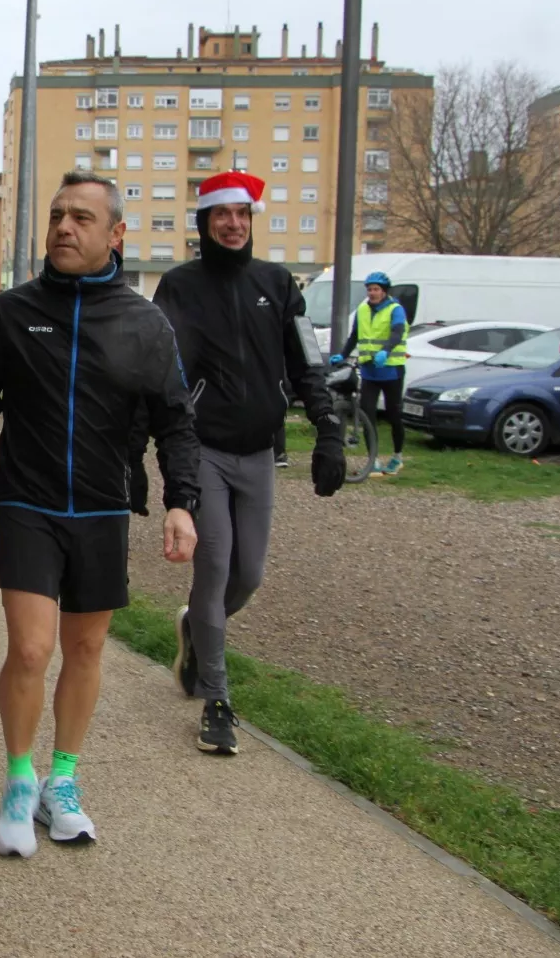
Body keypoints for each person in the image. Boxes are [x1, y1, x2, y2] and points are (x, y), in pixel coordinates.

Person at [0, 170, 201, 858]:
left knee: (86, 648)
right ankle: (17, 779)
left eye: (82, 218)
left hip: (101, 507)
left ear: (115, 234)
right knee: (32, 648)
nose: (64, 227)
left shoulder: (144, 323)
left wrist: (182, 502)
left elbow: (175, 422)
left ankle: (63, 779)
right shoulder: (11, 312)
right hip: (29, 501)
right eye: (58, 215)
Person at [152, 170, 345, 756]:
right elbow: (161, 374)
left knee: (249, 575)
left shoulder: (278, 283)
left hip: (259, 453)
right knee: (214, 569)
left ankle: (195, 627)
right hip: (203, 450)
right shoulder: (180, 287)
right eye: (221, 215)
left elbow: (307, 360)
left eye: (243, 214)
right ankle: (217, 700)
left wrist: (329, 428)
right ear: (204, 223)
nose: (234, 224)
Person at [333, 272, 408, 476]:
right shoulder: (363, 310)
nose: (372, 293)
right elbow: (355, 336)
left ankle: (397, 456)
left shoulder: (395, 309)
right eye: (369, 289)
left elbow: (397, 332)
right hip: (370, 370)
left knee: (394, 414)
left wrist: (386, 350)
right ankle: (372, 458)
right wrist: (342, 355)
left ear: (384, 292)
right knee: (367, 414)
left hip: (391, 369)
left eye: (376, 289)